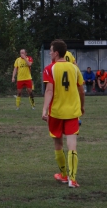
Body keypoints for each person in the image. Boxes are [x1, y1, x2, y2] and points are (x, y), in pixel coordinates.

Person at [42, 39, 85, 188]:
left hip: (56, 112)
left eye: (51, 50)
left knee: (58, 144)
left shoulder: (49, 69)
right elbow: (81, 90)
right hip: (73, 111)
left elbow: (49, 90)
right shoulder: (75, 68)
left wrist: (44, 109)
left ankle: (63, 175)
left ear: (56, 53)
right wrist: (82, 107)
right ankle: (72, 180)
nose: (49, 52)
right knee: (72, 145)